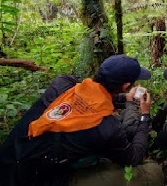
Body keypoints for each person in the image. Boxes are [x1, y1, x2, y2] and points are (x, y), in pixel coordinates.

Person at [0, 54, 152, 186]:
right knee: (151, 171)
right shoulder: (107, 128)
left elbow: (89, 97)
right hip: (34, 180)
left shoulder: (63, 84)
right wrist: (145, 115)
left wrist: (124, 98)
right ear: (125, 85)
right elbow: (133, 157)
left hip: (7, 162)